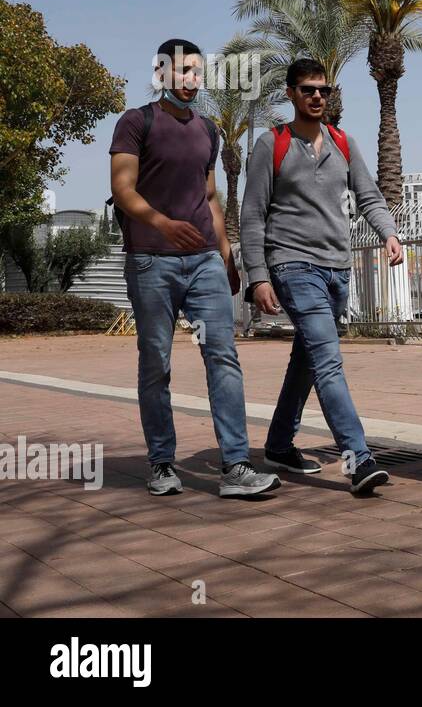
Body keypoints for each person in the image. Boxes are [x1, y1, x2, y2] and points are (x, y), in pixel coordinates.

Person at [108, 39, 281, 498]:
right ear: (161, 71)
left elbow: (209, 198)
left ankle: (236, 467)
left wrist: (225, 255)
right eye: (183, 71)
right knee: (156, 364)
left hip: (204, 259)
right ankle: (162, 463)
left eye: (197, 72)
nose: (191, 80)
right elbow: (123, 189)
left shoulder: (208, 129)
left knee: (223, 355)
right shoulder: (136, 122)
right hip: (150, 261)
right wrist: (162, 224)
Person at [240, 58, 403, 495]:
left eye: (324, 90)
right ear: (291, 94)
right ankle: (358, 457)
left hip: (337, 268)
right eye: (308, 89)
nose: (317, 96)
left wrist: (388, 233)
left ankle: (277, 444)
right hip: (292, 265)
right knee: (328, 360)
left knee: (308, 360)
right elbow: (253, 214)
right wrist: (258, 276)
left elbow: (369, 195)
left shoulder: (343, 143)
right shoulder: (269, 144)